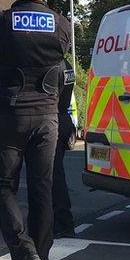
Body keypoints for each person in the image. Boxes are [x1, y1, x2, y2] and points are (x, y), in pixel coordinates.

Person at [0, 0, 71, 260]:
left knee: (2, 185)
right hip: (48, 119)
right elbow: (58, 56)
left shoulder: (1, 22)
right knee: (42, 190)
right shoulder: (62, 25)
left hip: (10, 116)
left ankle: (25, 254)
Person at [52, 59, 77, 238]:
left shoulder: (52, 64)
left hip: (52, 120)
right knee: (56, 174)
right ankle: (64, 221)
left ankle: (60, 222)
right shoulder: (67, 65)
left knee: (50, 176)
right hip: (63, 119)